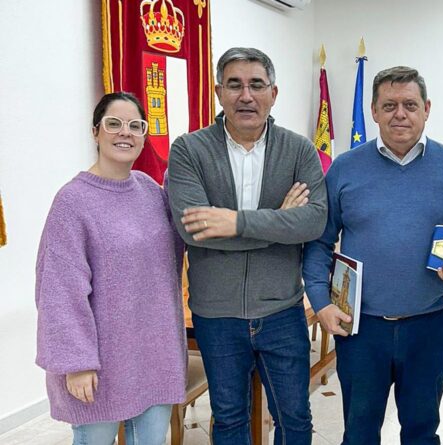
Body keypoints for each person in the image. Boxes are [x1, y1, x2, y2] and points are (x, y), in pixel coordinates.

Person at [302, 66, 443, 445]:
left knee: (421, 431)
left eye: (409, 104)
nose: (399, 114)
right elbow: (319, 243)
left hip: (429, 326)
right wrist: (320, 303)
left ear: (427, 109)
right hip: (362, 328)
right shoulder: (345, 169)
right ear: (373, 111)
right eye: (389, 105)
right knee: (360, 432)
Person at [166, 47, 326, 445]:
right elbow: (194, 230)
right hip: (215, 316)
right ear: (219, 92)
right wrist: (279, 221)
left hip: (283, 312)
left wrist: (232, 221)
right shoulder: (189, 150)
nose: (246, 95)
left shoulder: (300, 150)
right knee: (230, 419)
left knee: (295, 420)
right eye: (234, 85)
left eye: (257, 85)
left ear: (274, 93)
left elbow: (313, 221)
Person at [35, 92, 186, 445]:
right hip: (99, 361)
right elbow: (59, 289)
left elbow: (182, 241)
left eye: (136, 126)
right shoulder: (73, 202)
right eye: (114, 124)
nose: (125, 133)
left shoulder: (150, 190)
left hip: (153, 352)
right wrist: (76, 362)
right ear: (95, 132)